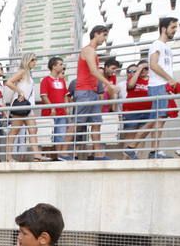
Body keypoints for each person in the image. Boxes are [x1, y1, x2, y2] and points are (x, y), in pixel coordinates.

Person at [139, 17, 180, 159]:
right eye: (173, 28)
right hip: (158, 85)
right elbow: (153, 64)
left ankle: (151, 150)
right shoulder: (156, 44)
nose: (175, 31)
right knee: (158, 119)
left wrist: (172, 81)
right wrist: (169, 79)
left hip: (163, 85)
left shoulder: (166, 47)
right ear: (164, 28)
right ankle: (146, 150)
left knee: (159, 119)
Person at [74, 26, 116, 160]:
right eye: (104, 35)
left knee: (96, 123)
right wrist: (108, 84)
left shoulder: (92, 51)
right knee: (77, 123)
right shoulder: (88, 50)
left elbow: (93, 73)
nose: (105, 39)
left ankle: (98, 154)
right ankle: (63, 153)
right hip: (84, 91)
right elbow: (93, 70)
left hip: (91, 92)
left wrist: (101, 89)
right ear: (96, 34)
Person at [5, 53, 45, 162]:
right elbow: (8, 82)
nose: (35, 62)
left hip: (28, 106)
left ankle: (37, 155)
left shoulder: (28, 73)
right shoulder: (22, 72)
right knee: (15, 131)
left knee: (32, 129)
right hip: (21, 105)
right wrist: (20, 92)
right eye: (33, 60)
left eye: (35, 60)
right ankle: (8, 157)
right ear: (27, 61)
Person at [40, 57, 69, 160]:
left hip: (61, 113)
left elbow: (65, 95)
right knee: (48, 136)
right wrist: (52, 108)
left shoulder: (62, 80)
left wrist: (66, 107)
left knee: (60, 135)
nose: (62, 66)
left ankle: (58, 157)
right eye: (60, 64)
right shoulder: (45, 80)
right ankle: (45, 157)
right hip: (49, 113)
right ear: (54, 66)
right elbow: (44, 96)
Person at [121, 61, 151, 159]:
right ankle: (125, 160)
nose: (143, 70)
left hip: (147, 112)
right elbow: (130, 86)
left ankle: (139, 159)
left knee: (141, 137)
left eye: (146, 68)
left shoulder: (152, 80)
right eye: (141, 68)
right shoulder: (133, 78)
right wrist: (138, 70)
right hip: (131, 111)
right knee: (129, 136)